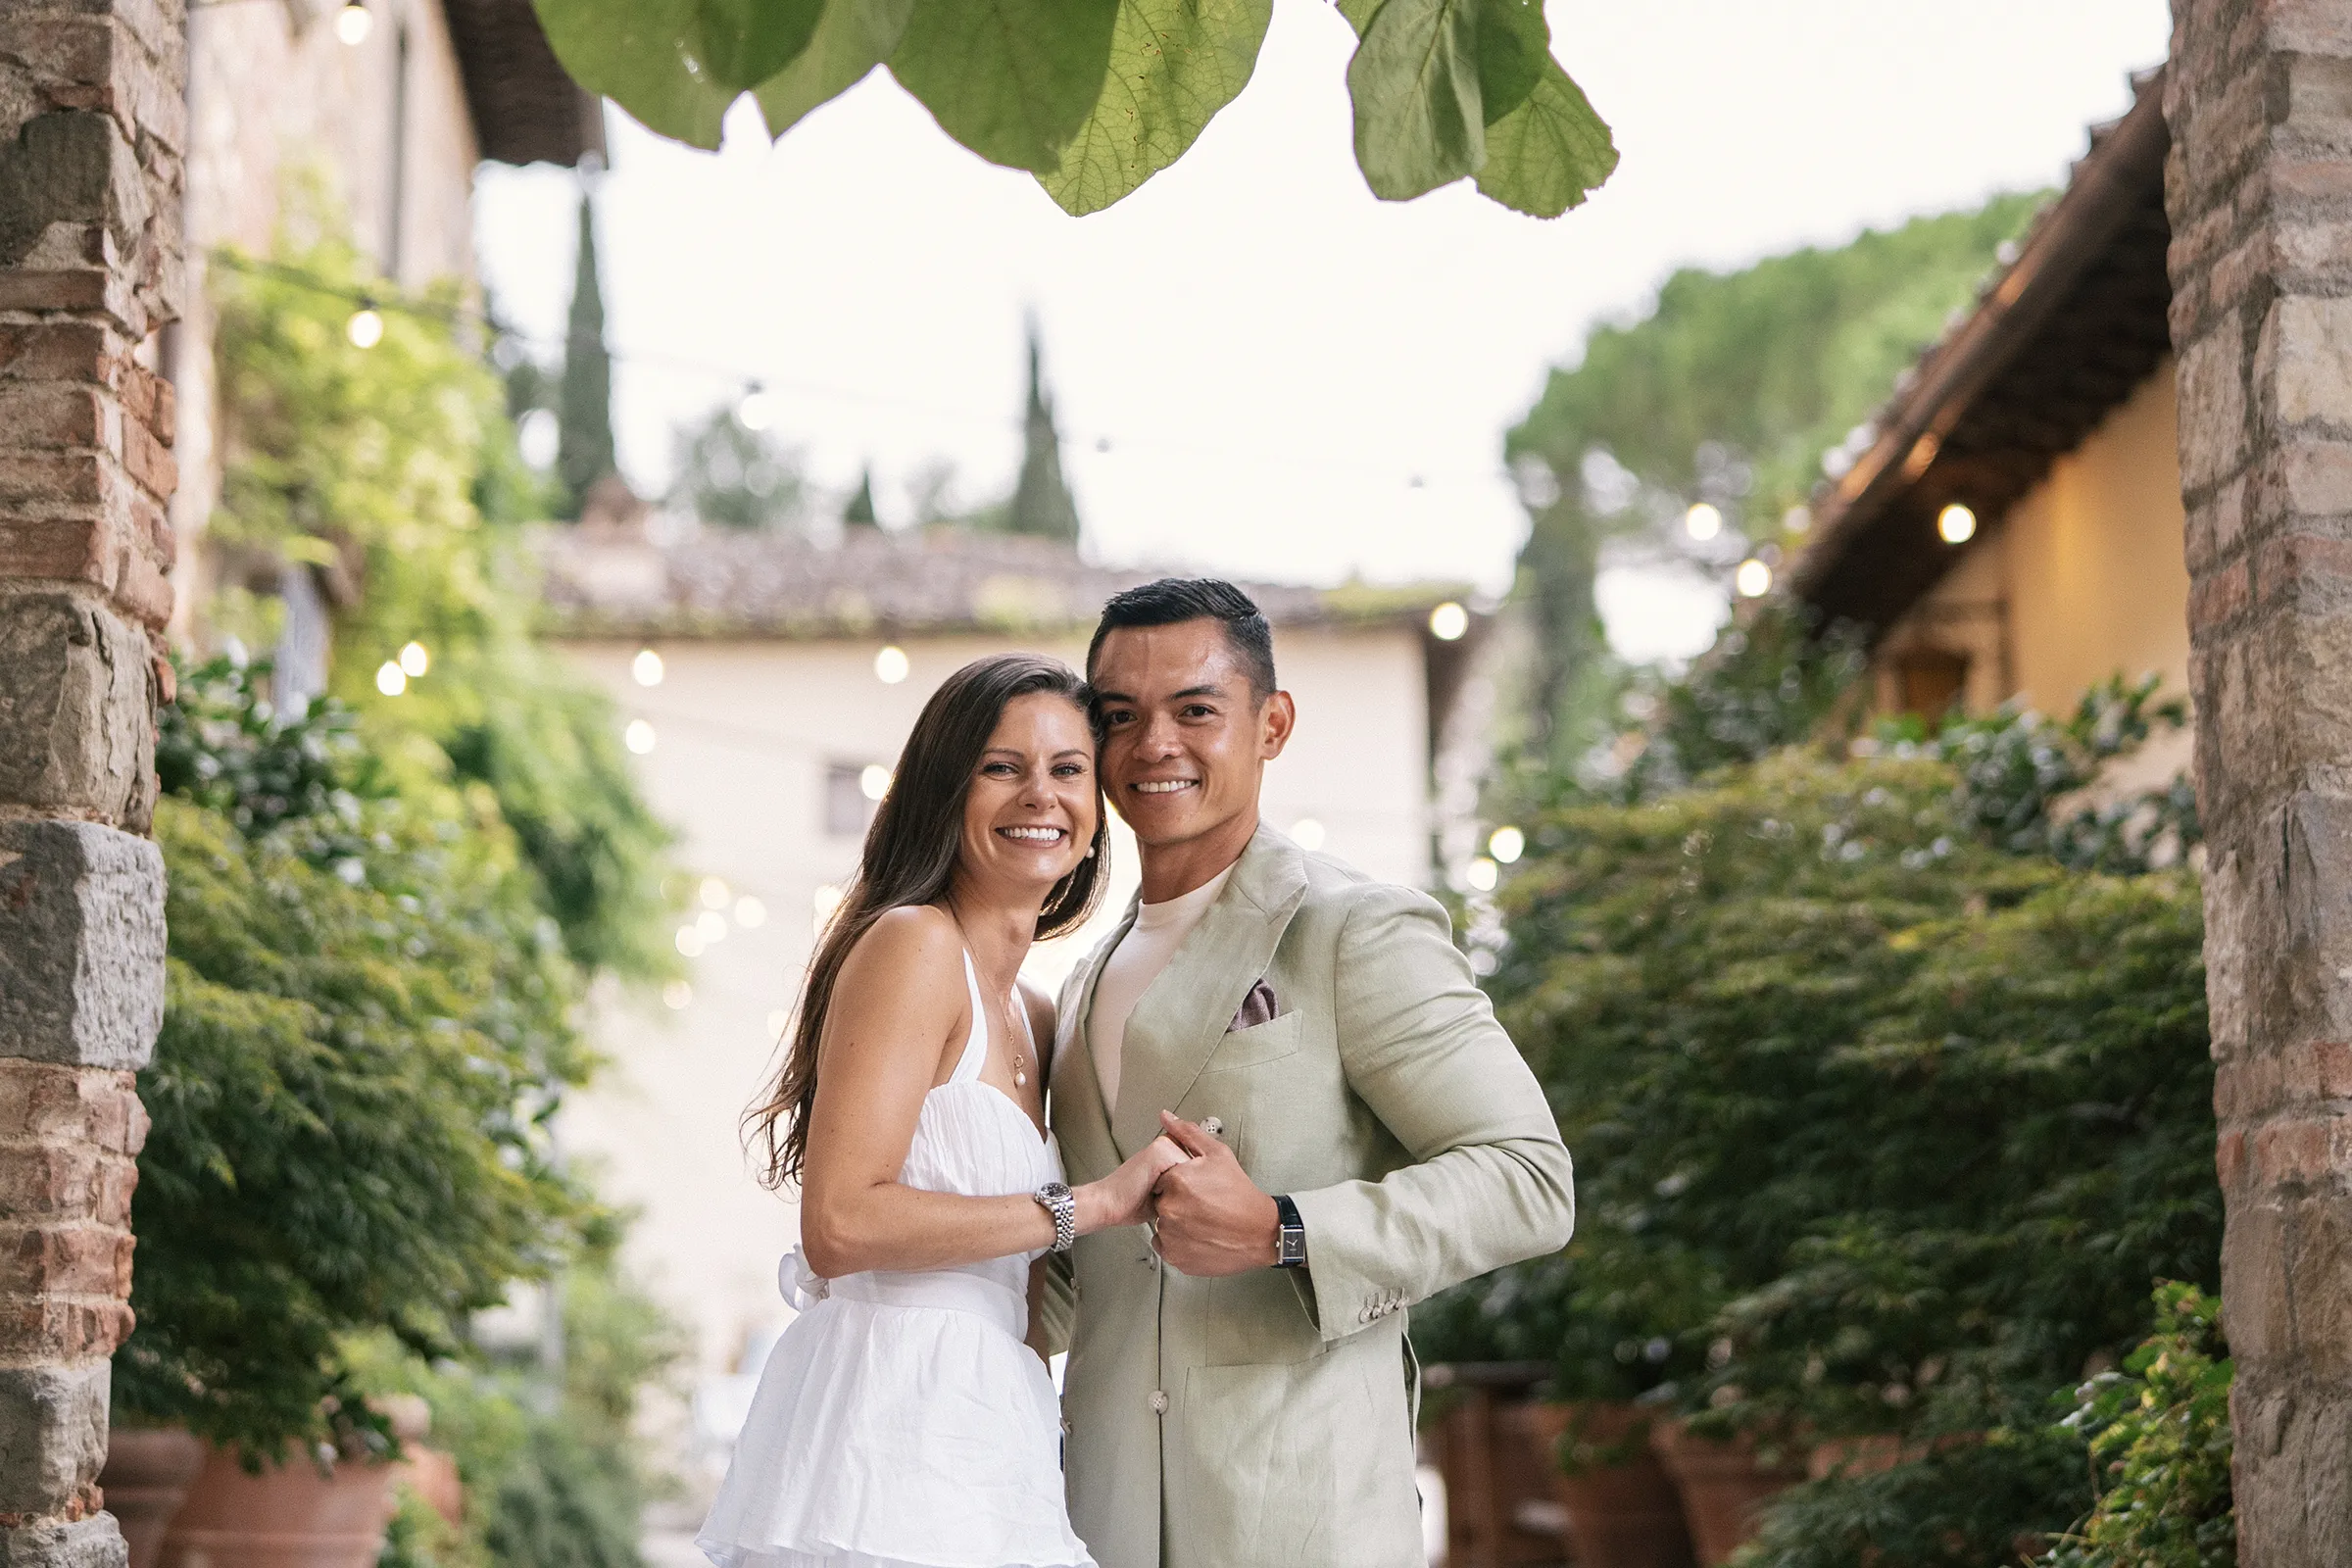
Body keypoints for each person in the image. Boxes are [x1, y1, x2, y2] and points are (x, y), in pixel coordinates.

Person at [1043, 579, 1578, 1568]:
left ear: (1271, 724)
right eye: (1121, 715)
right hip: (1098, 1523)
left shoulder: (1353, 927)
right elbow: (1099, 1261)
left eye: (1196, 709)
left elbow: (1529, 1178)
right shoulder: (1079, 981)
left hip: (1299, 1519)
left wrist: (1285, 1227)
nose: (1154, 742)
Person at [701, 654, 1186, 1568]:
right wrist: (1092, 1205)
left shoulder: (1038, 1016)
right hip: (888, 1419)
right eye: (1002, 767)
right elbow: (840, 1223)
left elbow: (1026, 1290)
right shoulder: (913, 944)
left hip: (993, 1423)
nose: (1039, 795)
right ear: (944, 791)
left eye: (1067, 769)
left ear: (1094, 815)